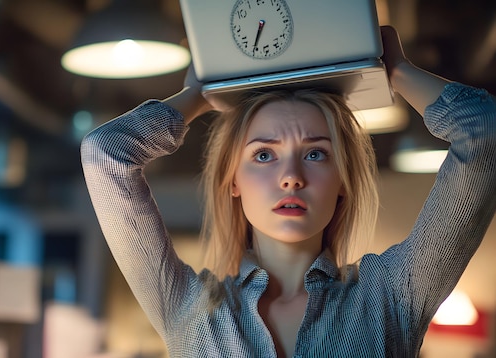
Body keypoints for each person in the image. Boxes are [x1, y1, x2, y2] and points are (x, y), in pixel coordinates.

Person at [80, 25, 496, 357]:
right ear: (233, 182)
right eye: (264, 155)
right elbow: (106, 155)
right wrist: (199, 94)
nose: (291, 177)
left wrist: (393, 70)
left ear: (344, 183)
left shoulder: (391, 294)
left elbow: (484, 130)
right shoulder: (185, 307)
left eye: (316, 154)